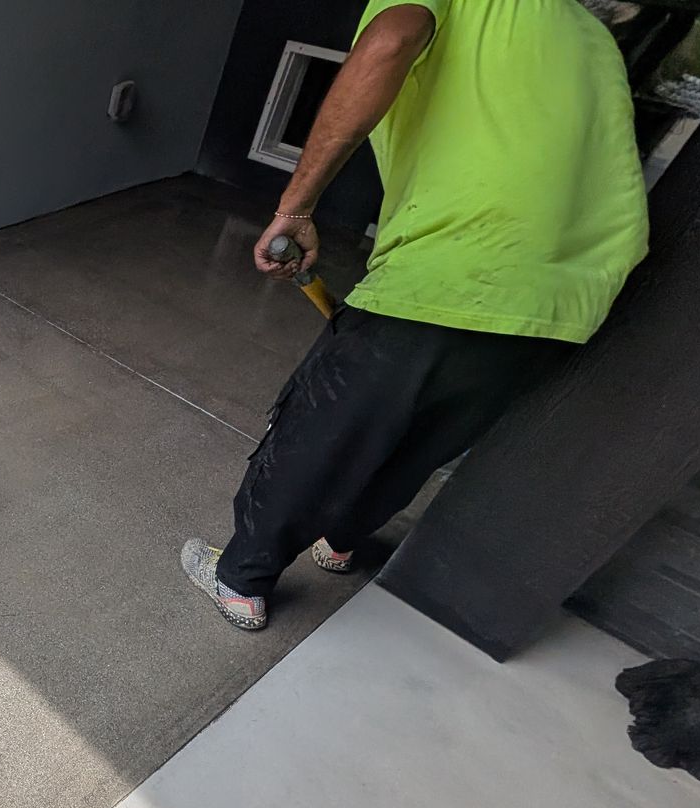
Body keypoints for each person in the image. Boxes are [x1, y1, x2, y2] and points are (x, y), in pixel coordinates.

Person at [182, 0, 649, 630]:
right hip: (565, 299)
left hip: (462, 262)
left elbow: (391, 39)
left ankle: (240, 579)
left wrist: (295, 208)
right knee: (420, 439)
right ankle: (340, 541)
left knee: (323, 429)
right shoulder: (592, 36)